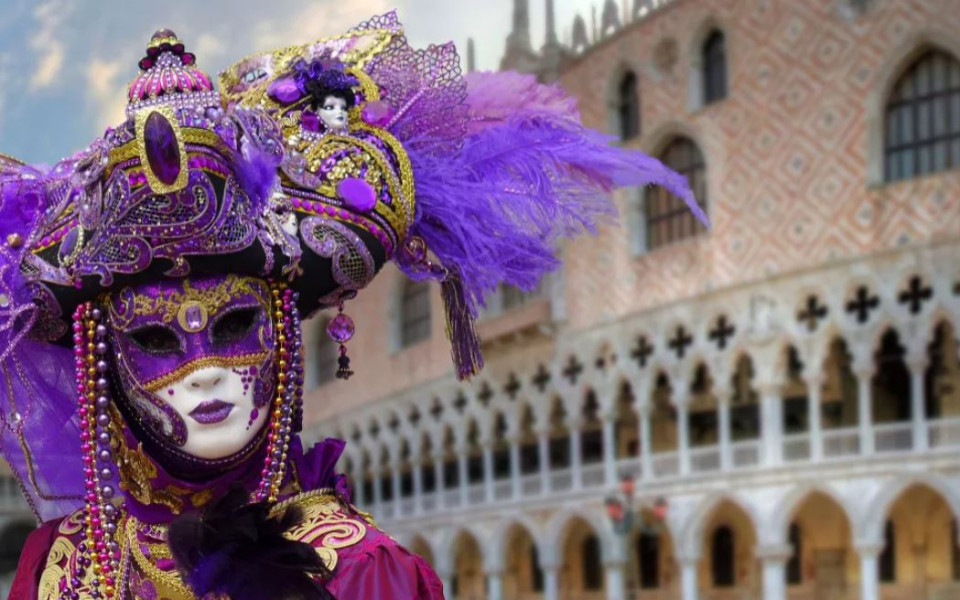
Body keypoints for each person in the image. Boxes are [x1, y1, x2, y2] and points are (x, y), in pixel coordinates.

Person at [0, 12, 706, 600]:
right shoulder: (60, 567)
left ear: (283, 331)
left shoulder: (361, 571)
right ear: (103, 360)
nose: (205, 369)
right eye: (154, 339)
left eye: (236, 324)